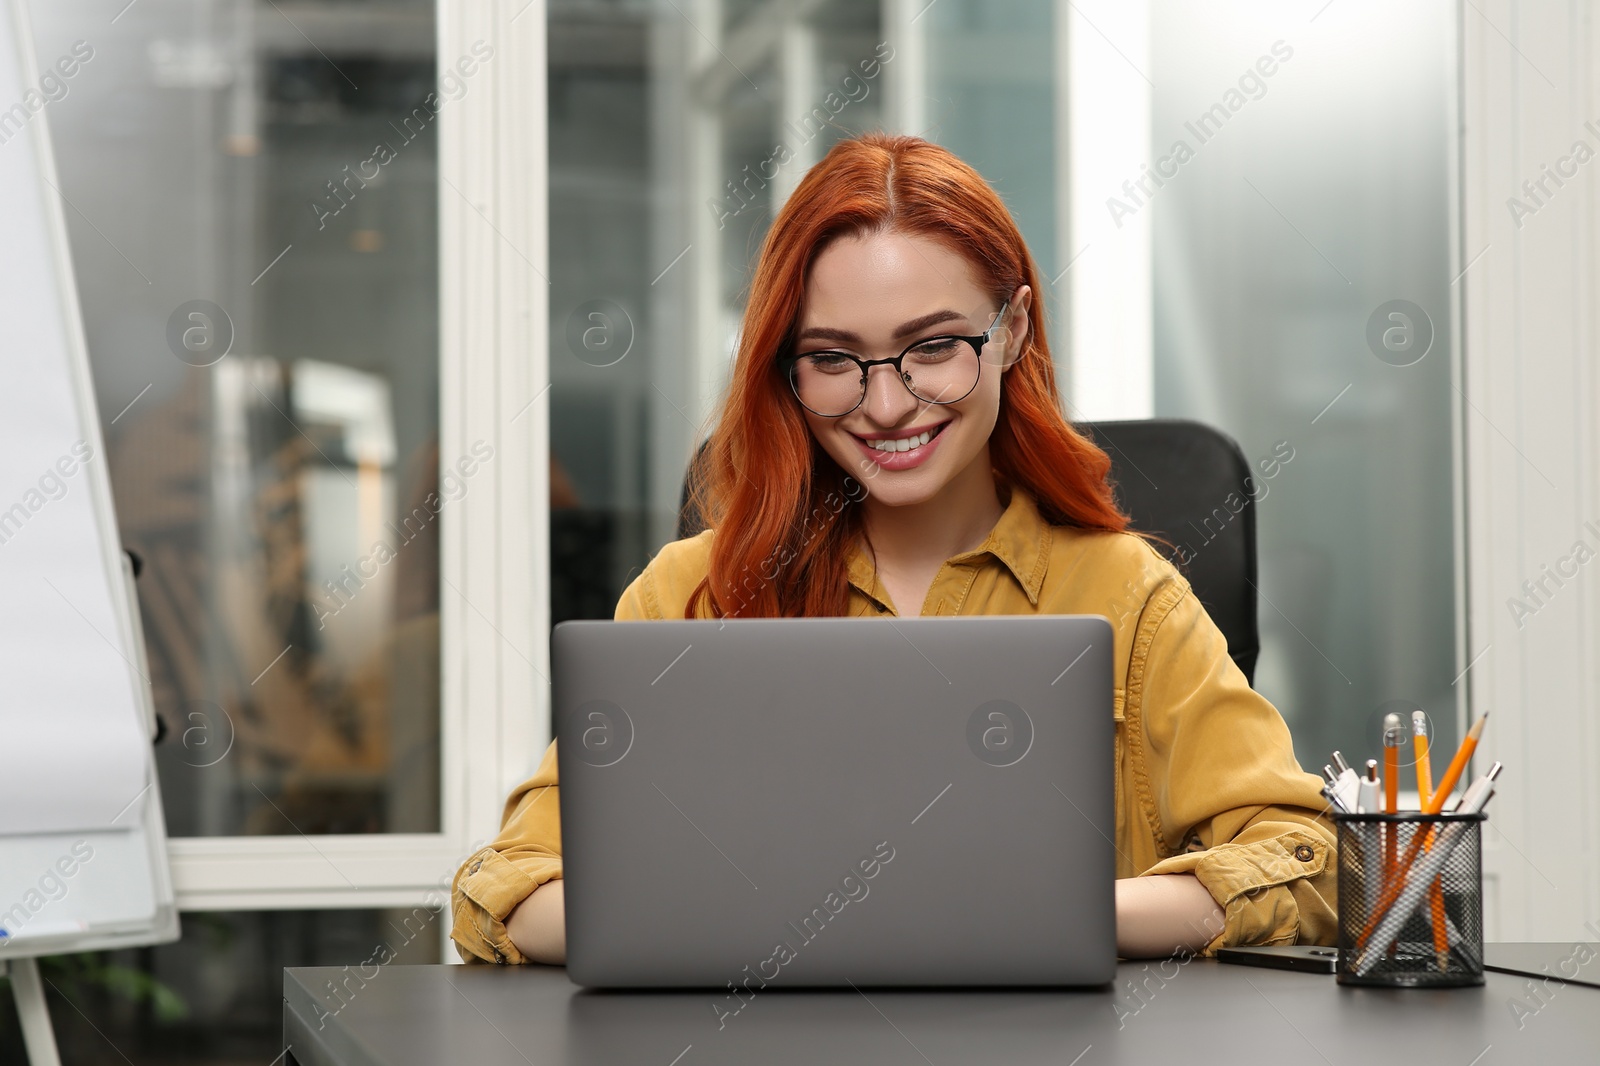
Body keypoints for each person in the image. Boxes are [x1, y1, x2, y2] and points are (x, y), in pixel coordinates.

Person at [451, 132, 1336, 966]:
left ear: (1014, 329)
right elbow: (502, 890)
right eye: (834, 359)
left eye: (933, 347)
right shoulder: (691, 596)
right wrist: (761, 927)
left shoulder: (1125, 593)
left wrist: (1047, 916)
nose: (886, 406)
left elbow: (1311, 864)